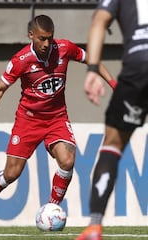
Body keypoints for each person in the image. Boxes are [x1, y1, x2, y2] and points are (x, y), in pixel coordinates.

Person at [0, 14, 116, 233]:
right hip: (28, 121)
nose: (47, 43)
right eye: (42, 39)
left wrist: (114, 83)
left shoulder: (64, 48)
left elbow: (92, 59)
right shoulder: (21, 60)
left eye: (50, 38)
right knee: (11, 174)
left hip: (57, 118)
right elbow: (0, 89)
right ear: (31, 36)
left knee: (67, 160)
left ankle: (52, 210)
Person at [76, 0, 148, 239]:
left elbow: (99, 20)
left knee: (113, 145)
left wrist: (93, 69)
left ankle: (95, 225)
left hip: (138, 66)